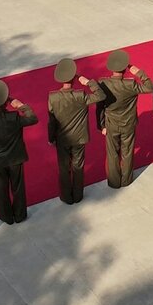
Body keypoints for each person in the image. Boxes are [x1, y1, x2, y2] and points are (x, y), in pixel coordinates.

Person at [90, 50, 152, 188]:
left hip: (111, 124)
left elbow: (99, 108)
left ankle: (114, 181)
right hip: (128, 123)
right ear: (125, 68)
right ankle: (126, 179)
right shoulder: (131, 84)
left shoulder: (103, 84)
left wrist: (101, 126)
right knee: (127, 152)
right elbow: (150, 87)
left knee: (112, 153)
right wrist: (138, 72)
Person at [47, 59, 105, 205]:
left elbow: (52, 121)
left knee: (64, 168)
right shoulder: (81, 95)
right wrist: (88, 82)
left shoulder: (53, 97)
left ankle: (66, 197)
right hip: (79, 138)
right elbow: (101, 95)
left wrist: (51, 138)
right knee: (78, 167)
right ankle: (78, 195)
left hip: (62, 139)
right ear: (74, 78)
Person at [0, 79, 38, 224]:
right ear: (7, 101)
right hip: (15, 158)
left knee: (1, 188)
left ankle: (6, 216)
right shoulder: (14, 117)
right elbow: (33, 119)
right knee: (17, 187)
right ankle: (19, 215)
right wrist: (21, 106)